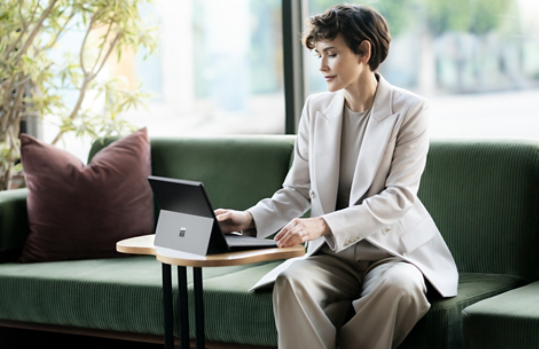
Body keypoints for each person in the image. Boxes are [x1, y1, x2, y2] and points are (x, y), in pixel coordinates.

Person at [215, 4, 458, 349]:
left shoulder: (410, 110)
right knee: (290, 280)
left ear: (364, 52)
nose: (321, 66)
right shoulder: (316, 109)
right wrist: (247, 219)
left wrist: (322, 225)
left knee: (400, 288)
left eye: (331, 53)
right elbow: (297, 190)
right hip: (332, 257)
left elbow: (398, 197)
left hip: (394, 253)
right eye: (318, 54)